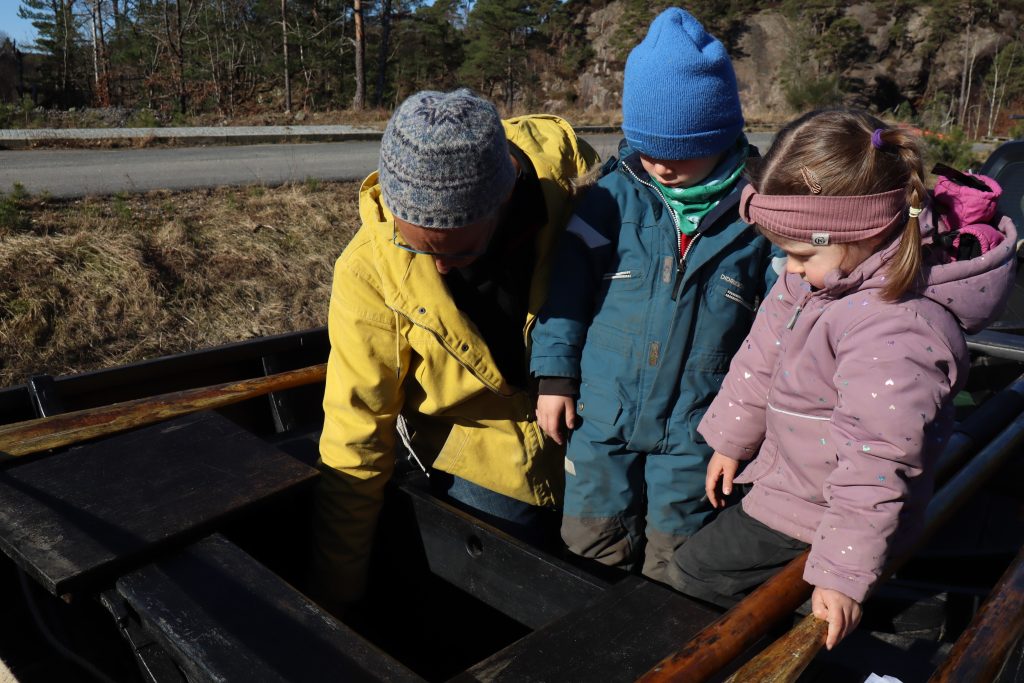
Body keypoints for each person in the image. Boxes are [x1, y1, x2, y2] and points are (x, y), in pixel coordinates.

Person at [669, 108, 1017, 650]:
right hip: (792, 481)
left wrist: (841, 570)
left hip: (830, 509)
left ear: (867, 231)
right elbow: (763, 354)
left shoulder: (896, 332)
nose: (788, 269)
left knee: (695, 576)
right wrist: (734, 439)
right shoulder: (817, 281)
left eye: (802, 254)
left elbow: (881, 458)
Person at [312, 89, 599, 607]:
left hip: (594, 437)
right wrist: (339, 596)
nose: (440, 268)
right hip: (483, 463)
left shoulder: (575, 186)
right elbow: (355, 439)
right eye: (416, 246)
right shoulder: (366, 271)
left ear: (506, 196)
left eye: (461, 250)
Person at [529, 7, 779, 583]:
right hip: (601, 417)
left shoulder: (760, 214)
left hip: (698, 430)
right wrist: (555, 379)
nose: (662, 165)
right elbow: (564, 294)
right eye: (648, 149)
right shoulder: (608, 201)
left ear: (719, 138)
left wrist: (747, 429)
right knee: (590, 547)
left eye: (680, 151)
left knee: (678, 561)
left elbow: (777, 329)